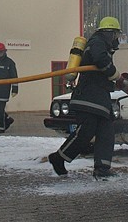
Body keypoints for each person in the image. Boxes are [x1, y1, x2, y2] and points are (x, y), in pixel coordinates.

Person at [48, 16, 122, 180]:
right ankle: (58, 158)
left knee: (107, 133)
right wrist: (113, 74)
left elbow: (100, 71)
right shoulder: (97, 42)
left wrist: (113, 83)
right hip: (89, 98)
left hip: (99, 99)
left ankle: (102, 169)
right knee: (85, 133)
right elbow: (100, 60)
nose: (117, 39)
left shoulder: (103, 45)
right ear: (109, 33)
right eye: (116, 34)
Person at [0, 42, 18, 133]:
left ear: (4, 51)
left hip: (4, 89)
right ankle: (7, 119)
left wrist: (15, 89)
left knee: (0, 110)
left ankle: (1, 128)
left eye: (0, 52)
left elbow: (14, 76)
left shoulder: (10, 63)